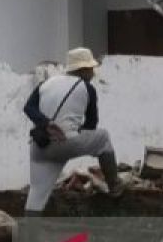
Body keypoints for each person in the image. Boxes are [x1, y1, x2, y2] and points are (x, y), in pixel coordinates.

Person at [23, 47, 123, 214]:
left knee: (36, 195)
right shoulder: (87, 88)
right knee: (103, 138)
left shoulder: (46, 83)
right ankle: (115, 186)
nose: (93, 73)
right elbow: (91, 124)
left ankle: (30, 236)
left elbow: (28, 107)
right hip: (65, 142)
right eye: (91, 69)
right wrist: (74, 133)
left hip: (39, 146)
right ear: (83, 70)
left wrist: (46, 123)